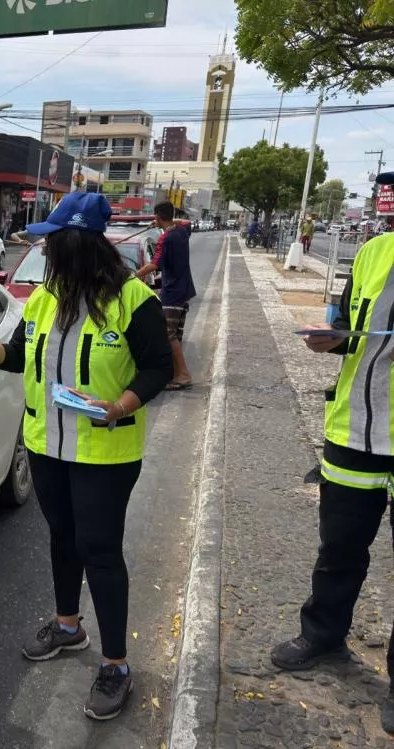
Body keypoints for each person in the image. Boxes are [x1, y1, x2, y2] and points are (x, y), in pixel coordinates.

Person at [0, 192, 173, 721]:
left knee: (99, 549)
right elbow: (23, 355)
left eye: (52, 240)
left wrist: (120, 405)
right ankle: (68, 625)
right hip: (47, 446)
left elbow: (158, 368)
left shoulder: (135, 301)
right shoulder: (47, 297)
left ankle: (116, 664)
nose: (45, 250)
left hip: (105, 452)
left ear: (76, 244)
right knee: (62, 539)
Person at [273, 171, 394, 734]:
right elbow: (351, 324)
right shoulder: (373, 251)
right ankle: (323, 635)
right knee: (339, 548)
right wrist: (331, 337)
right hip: (355, 432)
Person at [154, 202, 196, 390]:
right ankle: (176, 373)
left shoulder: (167, 238)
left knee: (168, 335)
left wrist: (132, 275)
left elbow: (155, 265)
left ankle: (183, 375)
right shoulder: (181, 232)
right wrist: (163, 221)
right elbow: (186, 222)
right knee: (176, 334)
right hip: (184, 290)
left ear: (158, 217)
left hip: (171, 292)